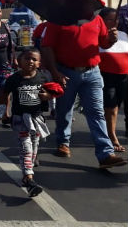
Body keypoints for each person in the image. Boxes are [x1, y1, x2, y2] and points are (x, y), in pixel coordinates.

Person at [41, 9, 127, 168]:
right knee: (65, 109)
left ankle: (105, 154)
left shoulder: (96, 20)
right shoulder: (57, 19)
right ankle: (63, 142)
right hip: (66, 72)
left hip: (92, 72)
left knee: (96, 112)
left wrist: (111, 39)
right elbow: (47, 47)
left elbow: (104, 42)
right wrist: (55, 72)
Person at [0, 49, 53, 197]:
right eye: (27, 59)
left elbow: (53, 92)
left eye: (34, 59)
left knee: (34, 148)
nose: (30, 61)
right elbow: (4, 96)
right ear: (20, 62)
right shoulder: (14, 79)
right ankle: (29, 178)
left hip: (37, 119)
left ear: (39, 63)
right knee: (26, 148)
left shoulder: (43, 77)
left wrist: (48, 95)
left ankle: (28, 173)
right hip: (20, 119)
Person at [98, 8, 127, 153]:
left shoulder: (123, 35)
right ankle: (112, 136)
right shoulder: (98, 36)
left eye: (116, 19)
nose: (115, 22)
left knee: (117, 106)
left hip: (124, 77)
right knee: (111, 108)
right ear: (102, 20)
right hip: (106, 76)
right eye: (111, 19)